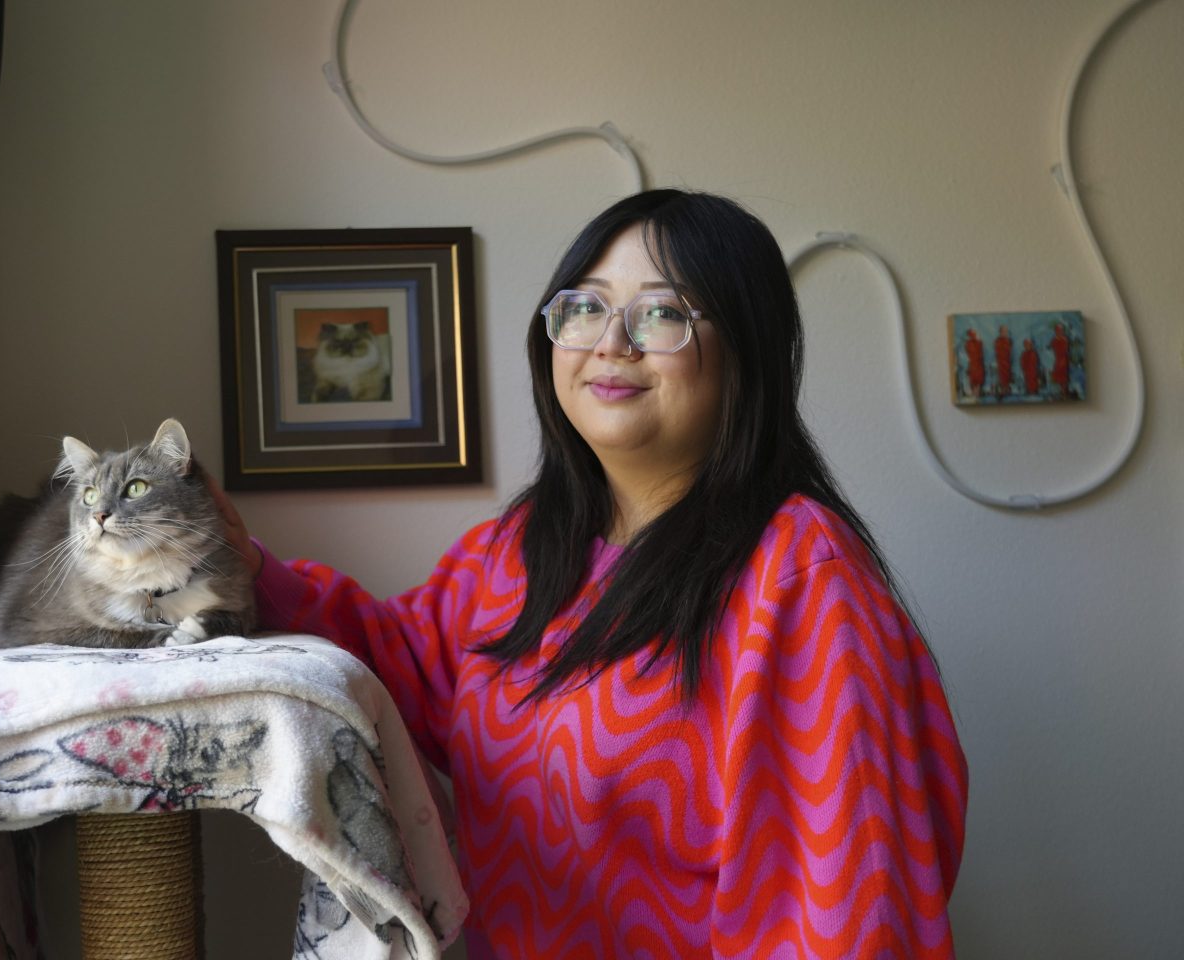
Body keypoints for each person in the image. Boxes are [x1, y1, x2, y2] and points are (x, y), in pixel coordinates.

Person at [209, 190, 967, 958]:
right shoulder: (522, 546)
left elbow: (851, 910)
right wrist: (245, 569)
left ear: (748, 350)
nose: (612, 342)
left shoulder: (800, 578)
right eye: (584, 307)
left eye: (663, 313)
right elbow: (401, 662)